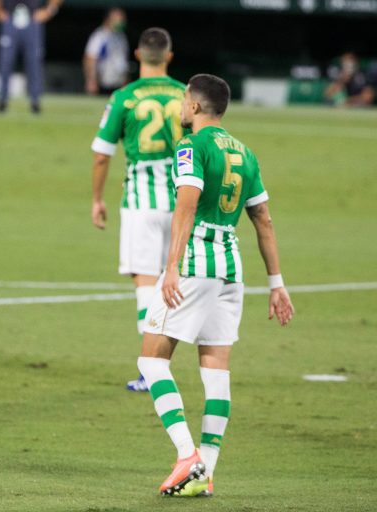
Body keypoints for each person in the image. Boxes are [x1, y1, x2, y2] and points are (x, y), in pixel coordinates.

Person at [137, 73, 295, 497]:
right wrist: (277, 283)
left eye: (184, 100)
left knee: (151, 361)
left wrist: (172, 265)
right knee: (215, 369)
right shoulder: (244, 152)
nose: (181, 106)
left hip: (195, 263)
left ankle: (187, 455)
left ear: (194, 105)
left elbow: (186, 208)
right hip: (231, 267)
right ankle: (206, 473)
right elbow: (263, 220)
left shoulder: (191, 146)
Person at [90, 27, 186, 392]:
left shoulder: (124, 97)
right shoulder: (187, 95)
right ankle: (164, 363)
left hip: (141, 204)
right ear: (169, 56)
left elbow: (102, 155)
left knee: (146, 284)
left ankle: (150, 371)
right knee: (171, 283)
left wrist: (97, 199)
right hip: (183, 203)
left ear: (137, 55)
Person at [0, 0, 62, 114]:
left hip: (32, 19)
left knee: (34, 63)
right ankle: (2, 99)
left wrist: (49, 10)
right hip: (10, 18)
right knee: (5, 62)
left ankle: (35, 101)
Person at [83, 7, 129, 95]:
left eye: (122, 19)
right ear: (109, 19)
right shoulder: (99, 36)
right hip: (103, 83)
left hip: (119, 83)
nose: (121, 22)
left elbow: (123, 61)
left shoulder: (121, 36)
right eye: (118, 19)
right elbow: (90, 58)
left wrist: (126, 80)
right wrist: (91, 80)